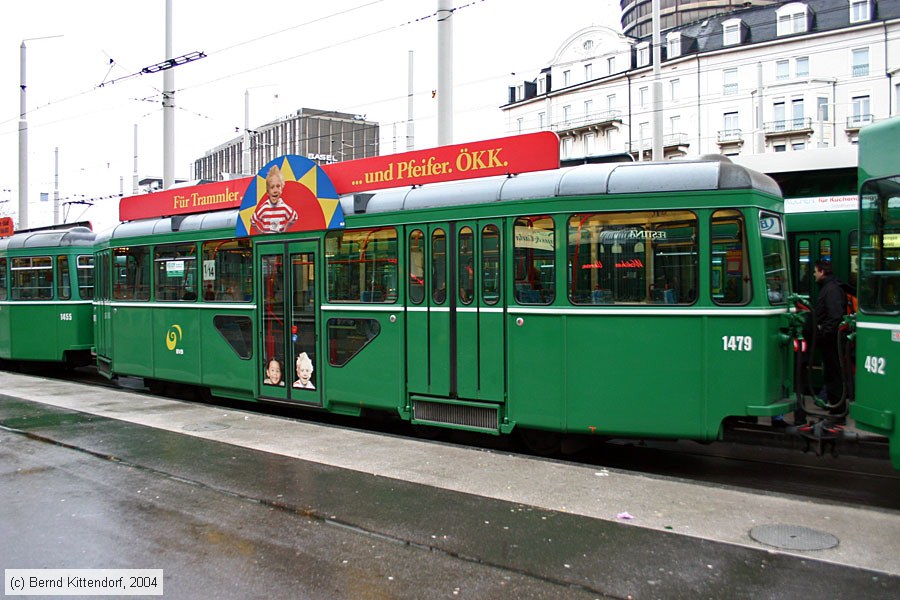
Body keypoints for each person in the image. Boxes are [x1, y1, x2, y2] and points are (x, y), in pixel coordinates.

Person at [813, 259, 847, 417]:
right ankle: (835, 406)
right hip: (831, 338)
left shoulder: (831, 289)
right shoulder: (832, 287)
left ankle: (837, 409)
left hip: (831, 339)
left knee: (833, 373)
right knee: (832, 373)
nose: (814, 274)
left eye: (815, 271)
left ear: (822, 272)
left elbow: (835, 316)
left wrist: (823, 332)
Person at [251, 165, 298, 234]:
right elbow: (253, 220)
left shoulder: (284, 208)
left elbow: (294, 217)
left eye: (278, 186)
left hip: (280, 240)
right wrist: (260, 233)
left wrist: (285, 230)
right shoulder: (264, 208)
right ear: (268, 191)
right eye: (272, 187)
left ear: (281, 189)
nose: (275, 190)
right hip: (267, 240)